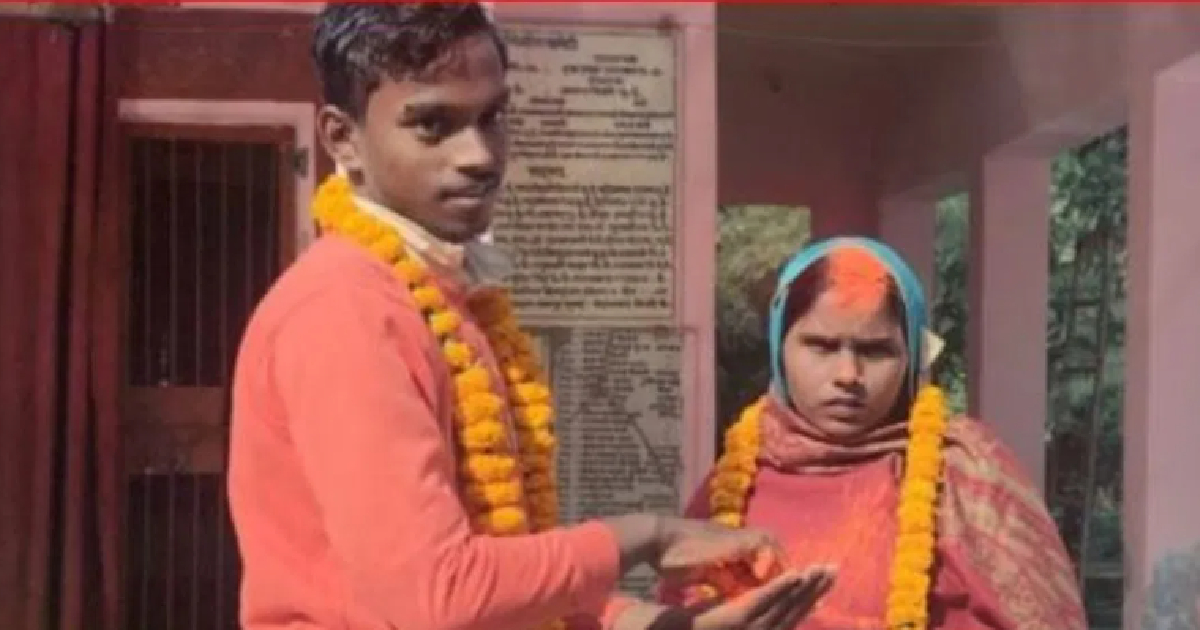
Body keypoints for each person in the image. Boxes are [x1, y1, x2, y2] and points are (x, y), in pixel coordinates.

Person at [226, 4, 833, 630]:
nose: (479, 155)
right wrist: (649, 535)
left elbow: (499, 564)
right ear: (341, 139)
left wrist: (666, 626)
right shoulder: (345, 311)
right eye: (433, 125)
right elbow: (435, 596)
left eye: (492, 118)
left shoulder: (440, 293)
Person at [659, 237, 1087, 630]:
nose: (848, 375)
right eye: (822, 346)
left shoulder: (967, 473)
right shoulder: (730, 486)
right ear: (779, 349)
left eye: (875, 350)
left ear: (911, 357)